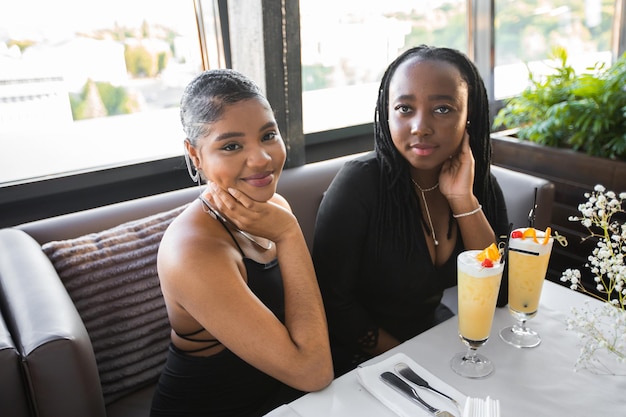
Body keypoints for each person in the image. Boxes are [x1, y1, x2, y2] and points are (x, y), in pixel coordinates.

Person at [312, 45, 510, 376]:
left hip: (432, 343)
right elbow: (332, 304)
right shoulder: (359, 184)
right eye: (404, 108)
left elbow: (499, 293)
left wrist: (463, 201)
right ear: (387, 113)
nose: (420, 126)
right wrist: (411, 361)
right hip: (356, 362)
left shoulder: (479, 184)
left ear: (469, 115)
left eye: (443, 109)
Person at [150, 69, 333, 417]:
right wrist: (289, 235)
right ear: (196, 155)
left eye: (268, 135)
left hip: (280, 401)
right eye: (232, 145)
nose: (262, 158)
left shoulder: (274, 208)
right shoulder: (190, 252)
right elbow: (313, 372)